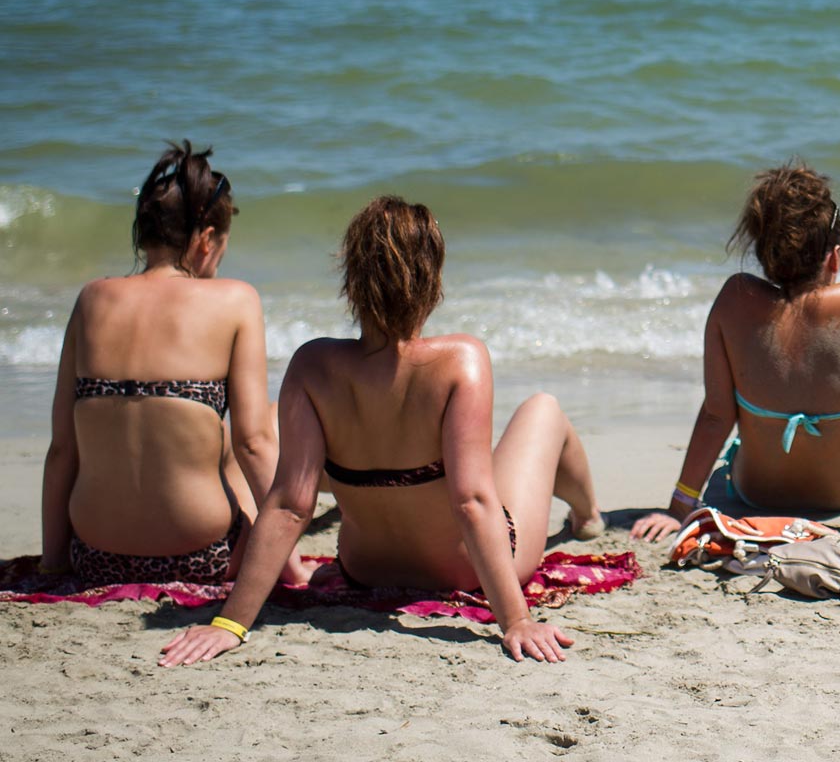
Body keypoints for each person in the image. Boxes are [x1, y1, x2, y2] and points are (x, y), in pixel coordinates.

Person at [159, 196, 601, 665]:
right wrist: (516, 620)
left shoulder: (312, 365)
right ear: (431, 278)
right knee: (543, 410)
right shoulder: (460, 359)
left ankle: (584, 514)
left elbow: (290, 503)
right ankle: (588, 516)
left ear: (353, 279)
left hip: (364, 570)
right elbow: (471, 501)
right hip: (463, 570)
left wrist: (231, 623)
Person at [629, 162, 840, 539]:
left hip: (757, 496)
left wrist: (680, 508)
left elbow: (716, 416)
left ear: (765, 254)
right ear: (835, 256)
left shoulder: (734, 300)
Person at [42, 142, 289, 587]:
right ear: (207, 240)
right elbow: (253, 446)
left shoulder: (92, 298)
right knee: (258, 431)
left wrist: (54, 562)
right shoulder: (235, 300)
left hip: (95, 556)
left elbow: (63, 449)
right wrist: (291, 569)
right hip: (203, 556)